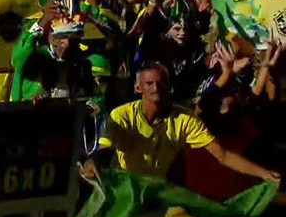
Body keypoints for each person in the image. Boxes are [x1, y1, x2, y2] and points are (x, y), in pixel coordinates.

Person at [83, 63, 280, 183]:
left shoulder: (185, 119)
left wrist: (263, 173)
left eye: (161, 83)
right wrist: (93, 163)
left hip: (162, 193)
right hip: (126, 192)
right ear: (138, 87)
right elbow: (105, 150)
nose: (156, 88)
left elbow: (223, 155)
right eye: (149, 83)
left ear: (168, 86)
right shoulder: (122, 115)